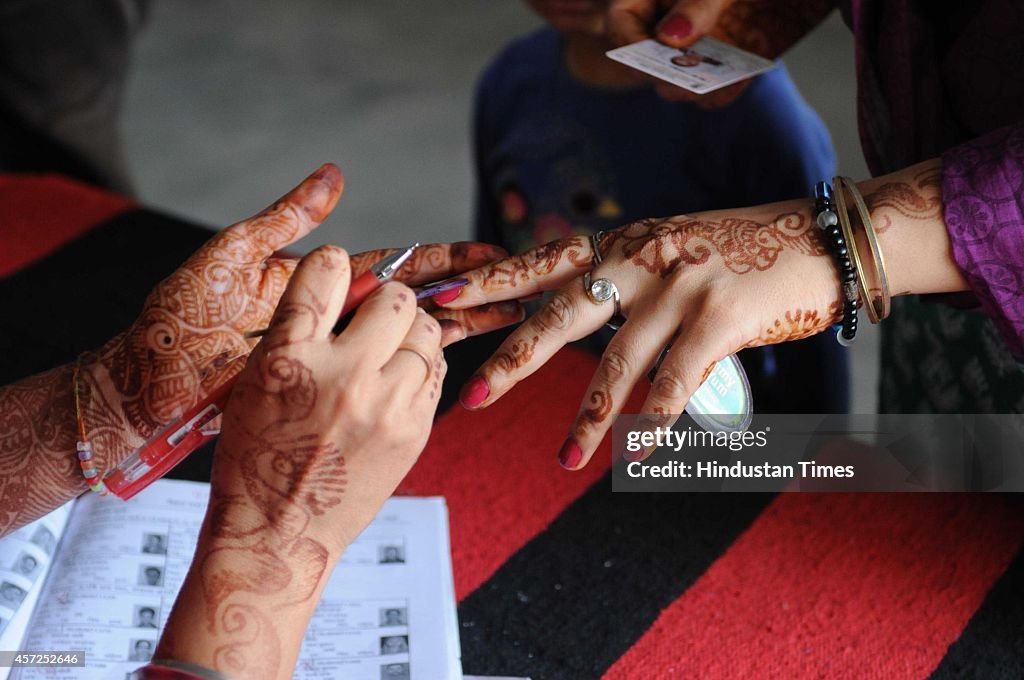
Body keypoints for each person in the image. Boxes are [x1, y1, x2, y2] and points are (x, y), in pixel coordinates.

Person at [436, 0, 1024, 470]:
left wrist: (825, 247)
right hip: (933, 314)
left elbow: (811, 397)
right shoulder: (512, 82)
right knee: (949, 487)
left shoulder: (765, 125)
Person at [471, 0, 847, 414]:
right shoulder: (508, 81)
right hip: (547, 408)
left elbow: (817, 313)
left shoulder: (758, 116)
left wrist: (810, 455)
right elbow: (495, 272)